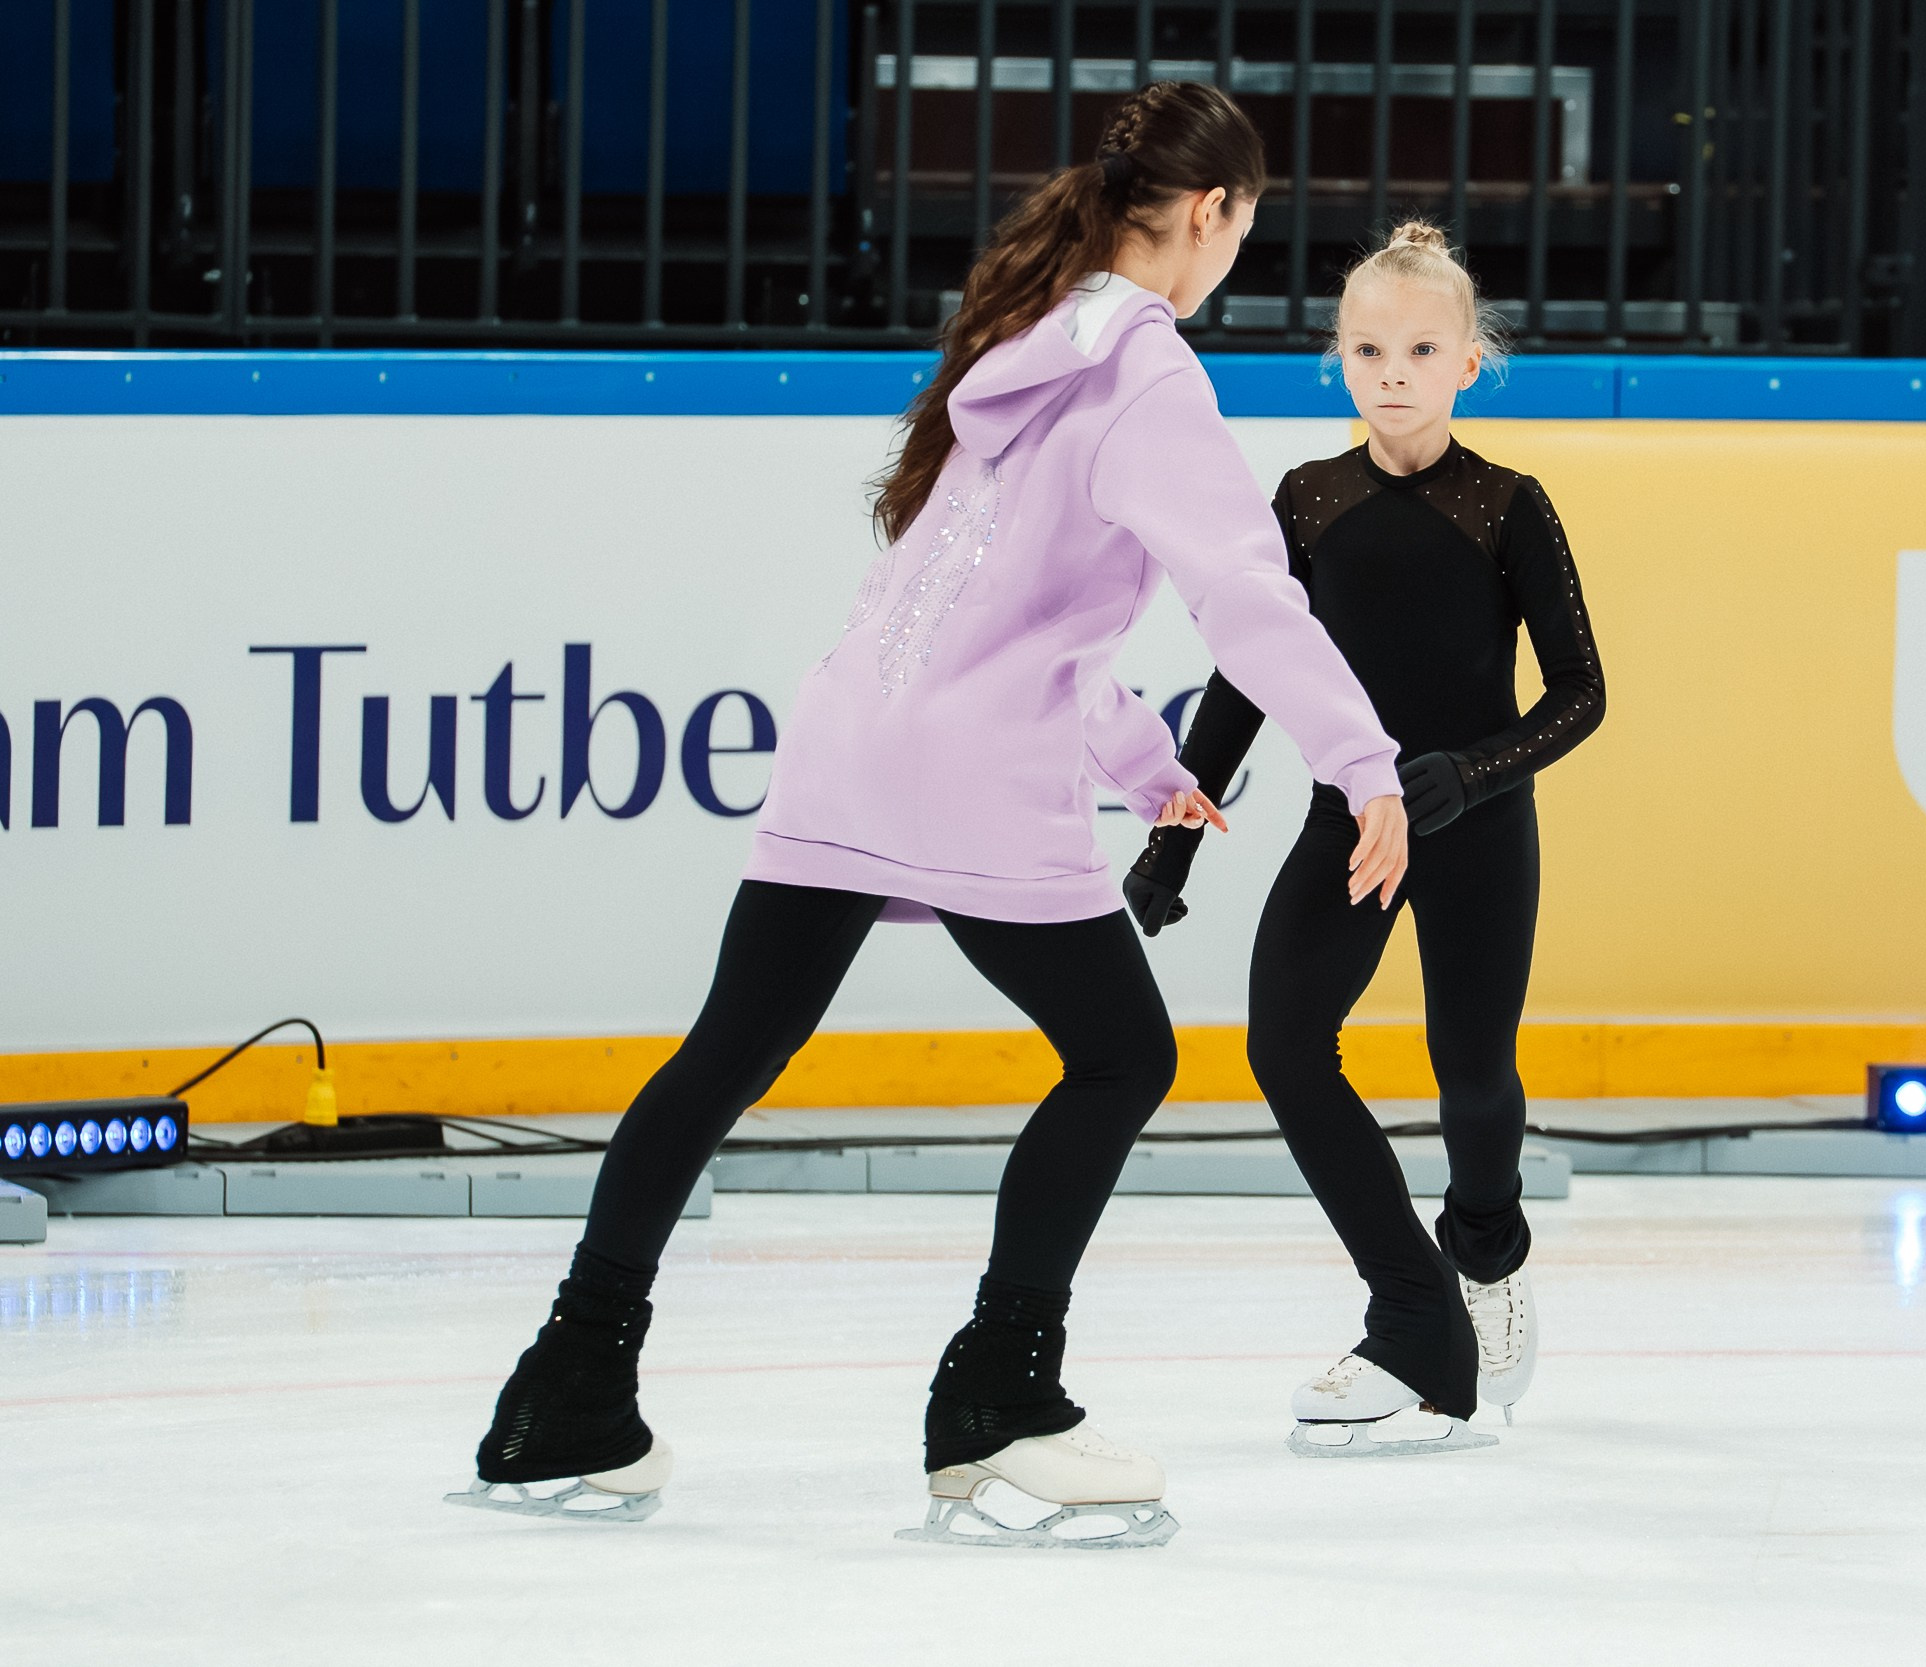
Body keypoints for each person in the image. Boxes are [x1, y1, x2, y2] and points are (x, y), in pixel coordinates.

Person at [447, 83, 1409, 1548]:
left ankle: (565, 1387)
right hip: (967, 776)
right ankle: (999, 1399)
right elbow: (1245, 596)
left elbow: (1004, 609)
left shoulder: (1025, 335)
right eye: (1248, 225)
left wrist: (1147, 763)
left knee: (723, 1055)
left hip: (848, 739)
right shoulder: (1146, 372)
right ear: (1212, 213)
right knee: (1123, 1052)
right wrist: (1365, 761)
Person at [1125, 222, 1604, 1457]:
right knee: (1285, 1045)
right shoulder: (1308, 499)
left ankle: (1485, 1253)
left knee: (1470, 1065)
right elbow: (1248, 669)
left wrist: (1468, 773)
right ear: (1339, 358)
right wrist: (1181, 820)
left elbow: (1579, 695)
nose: (1392, 370)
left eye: (1421, 348)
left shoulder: (1510, 505)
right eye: (1368, 347)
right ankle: (1412, 1294)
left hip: (1477, 823)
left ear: (1468, 363)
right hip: (1349, 820)